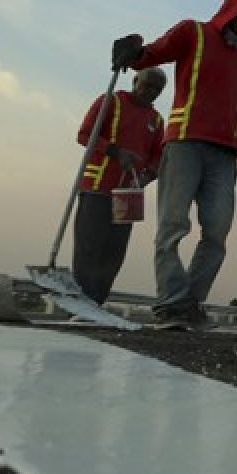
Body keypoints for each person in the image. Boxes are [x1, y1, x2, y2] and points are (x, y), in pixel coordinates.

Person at [111, 0, 237, 330]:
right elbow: (156, 52)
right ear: (235, 9)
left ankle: (189, 303)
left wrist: (235, 148)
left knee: (216, 233)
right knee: (173, 226)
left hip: (224, 154)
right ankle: (171, 303)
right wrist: (135, 54)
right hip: (185, 142)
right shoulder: (194, 32)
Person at [72, 67, 167, 304]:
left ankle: (98, 301)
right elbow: (84, 135)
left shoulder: (156, 119)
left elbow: (158, 158)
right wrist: (115, 151)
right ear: (136, 80)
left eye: (157, 89)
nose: (151, 92)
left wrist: (148, 176)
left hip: (129, 194)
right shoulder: (110, 101)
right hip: (97, 185)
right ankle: (83, 300)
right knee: (89, 246)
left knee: (114, 250)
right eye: (148, 85)